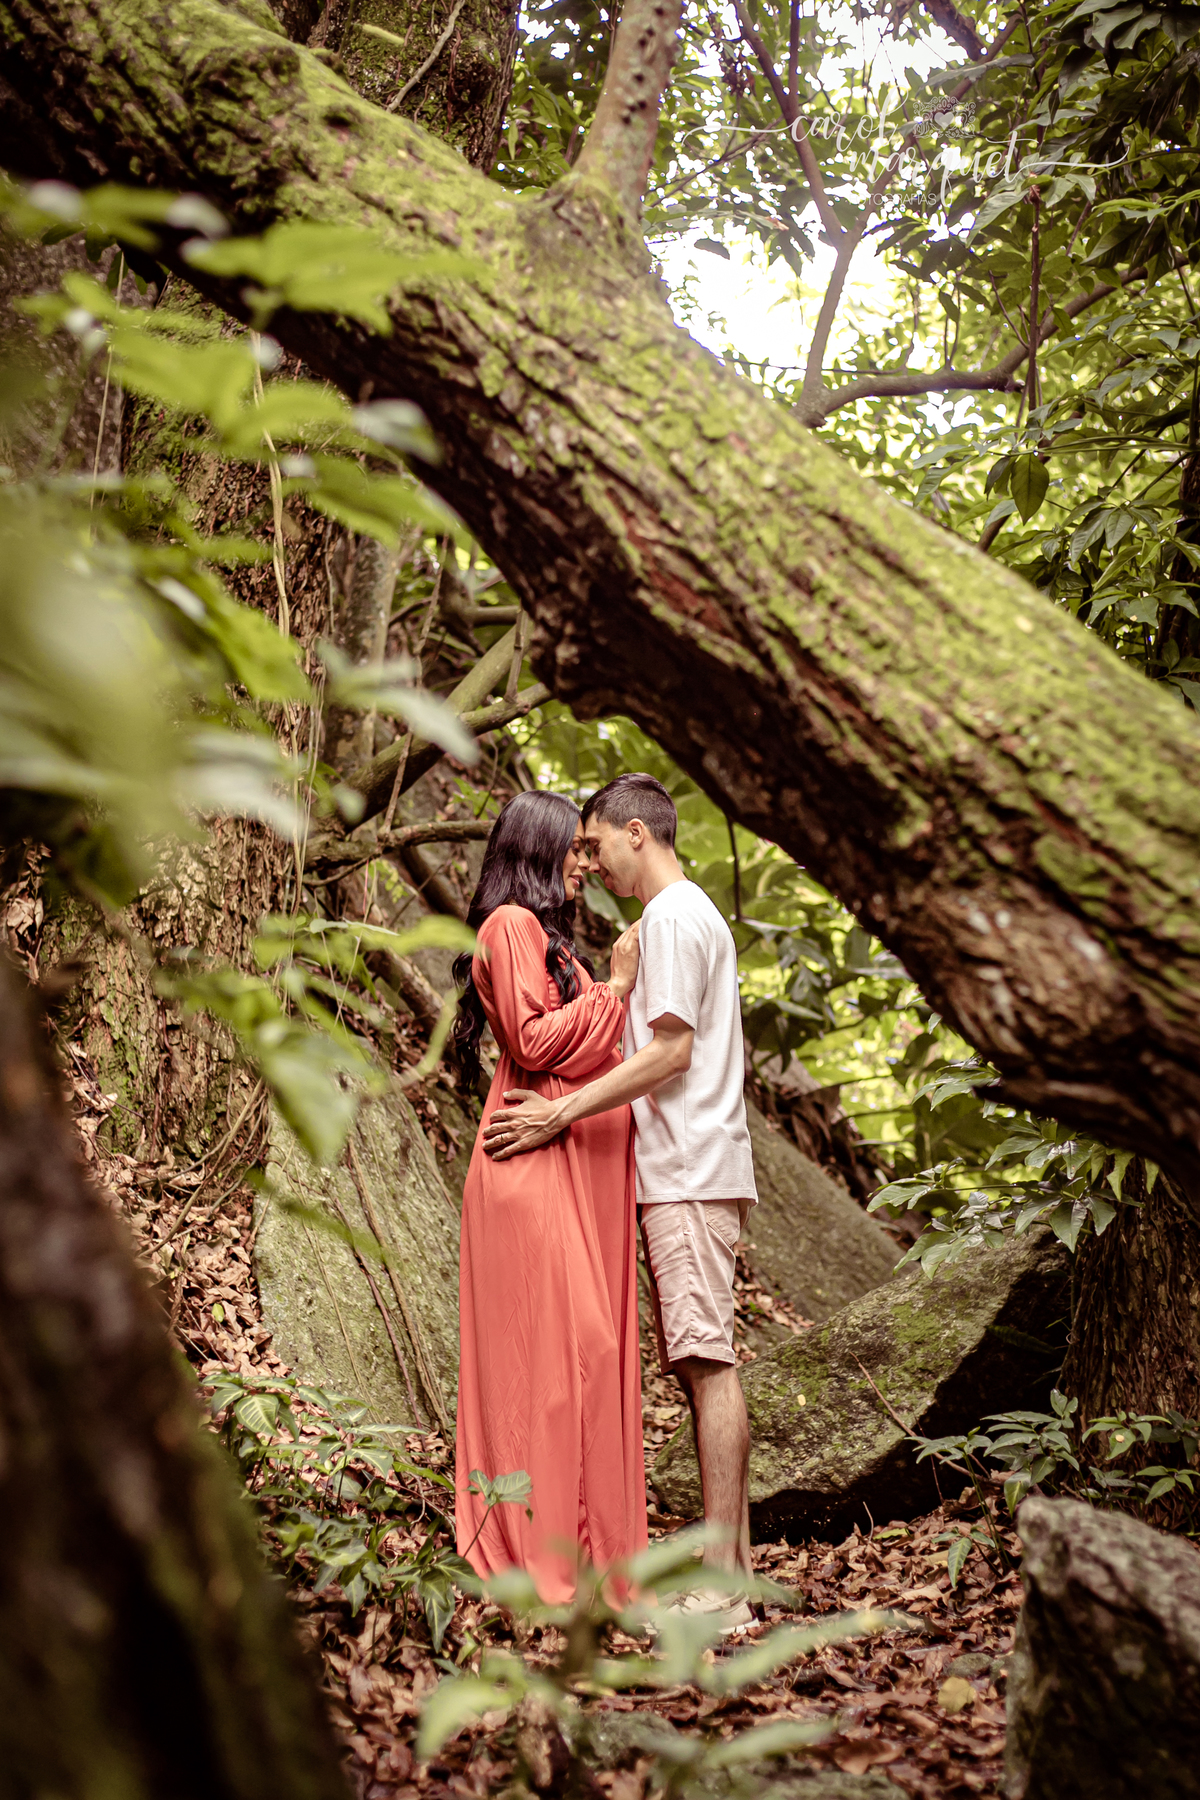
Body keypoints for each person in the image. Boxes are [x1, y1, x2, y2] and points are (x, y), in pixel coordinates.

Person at [484, 773, 758, 1631]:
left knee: (707, 1364)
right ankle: (734, 1572)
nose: (590, 862)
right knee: (697, 1360)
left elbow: (670, 1052)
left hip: (689, 1170)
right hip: (688, 1168)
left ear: (637, 834)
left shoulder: (673, 917)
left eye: (597, 844)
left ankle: (723, 1584)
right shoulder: (689, 915)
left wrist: (562, 1108)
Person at [451, 790, 647, 1603]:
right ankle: (535, 1558)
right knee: (565, 1361)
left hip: (552, 1155)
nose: (582, 862)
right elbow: (532, 1042)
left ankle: (581, 1556)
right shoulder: (509, 926)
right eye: (571, 847)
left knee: (580, 1359)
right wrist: (618, 988)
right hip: (523, 1166)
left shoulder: (545, 939)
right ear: (535, 850)